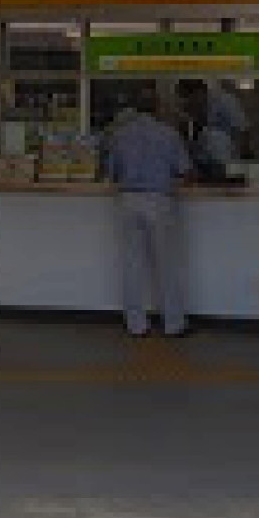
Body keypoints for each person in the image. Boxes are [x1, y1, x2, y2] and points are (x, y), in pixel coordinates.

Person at [103, 86, 193, 337]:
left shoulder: (119, 135)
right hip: (159, 200)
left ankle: (136, 324)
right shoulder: (169, 134)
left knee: (132, 264)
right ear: (157, 108)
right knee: (167, 264)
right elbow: (185, 170)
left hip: (128, 200)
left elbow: (112, 173)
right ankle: (173, 324)